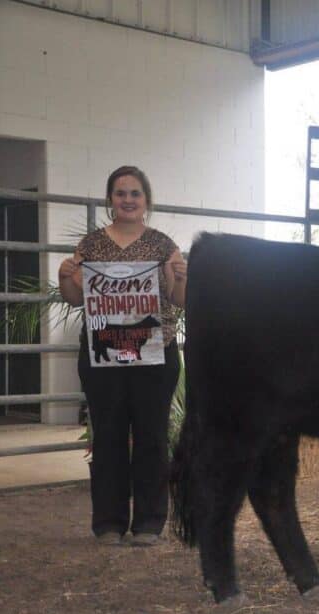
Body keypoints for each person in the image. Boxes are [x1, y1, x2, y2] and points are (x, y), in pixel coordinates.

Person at [58, 166, 187, 547]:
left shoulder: (165, 245)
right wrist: (66, 276)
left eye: (134, 193)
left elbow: (181, 301)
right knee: (109, 436)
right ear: (110, 199)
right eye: (120, 193)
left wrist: (182, 277)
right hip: (103, 356)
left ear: (146, 199)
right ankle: (108, 523)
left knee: (151, 437)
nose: (127, 200)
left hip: (155, 354)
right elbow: (74, 297)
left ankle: (149, 522)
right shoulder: (91, 245)